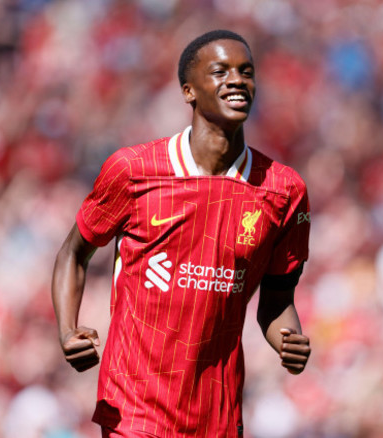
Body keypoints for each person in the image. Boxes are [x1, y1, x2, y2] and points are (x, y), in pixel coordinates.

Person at [52, 29, 311, 438]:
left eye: (246, 71)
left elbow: (277, 298)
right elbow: (74, 253)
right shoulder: (134, 171)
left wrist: (288, 338)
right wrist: (68, 329)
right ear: (189, 91)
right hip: (134, 411)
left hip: (217, 417)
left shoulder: (283, 190)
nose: (237, 80)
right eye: (221, 71)